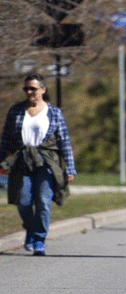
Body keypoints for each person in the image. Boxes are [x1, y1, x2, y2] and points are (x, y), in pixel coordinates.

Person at [0, 73, 76, 256]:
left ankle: (39, 239)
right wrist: (1, 160)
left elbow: (64, 141)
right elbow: (6, 139)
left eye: (33, 88)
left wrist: (70, 168)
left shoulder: (54, 112)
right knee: (23, 201)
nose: (29, 92)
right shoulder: (16, 110)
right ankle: (31, 230)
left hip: (46, 163)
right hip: (22, 161)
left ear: (43, 89)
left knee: (43, 202)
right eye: (26, 88)